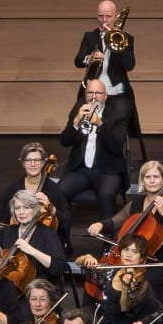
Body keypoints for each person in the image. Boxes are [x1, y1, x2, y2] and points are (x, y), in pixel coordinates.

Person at [73, 0, 140, 168]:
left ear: (116, 17)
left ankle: (115, 157)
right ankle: (83, 157)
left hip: (116, 93)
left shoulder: (126, 38)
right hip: (92, 93)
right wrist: (90, 58)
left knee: (118, 119)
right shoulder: (90, 36)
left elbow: (129, 65)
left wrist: (117, 47)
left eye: (108, 16)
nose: (104, 20)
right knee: (77, 115)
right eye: (100, 16)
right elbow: (78, 61)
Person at [53, 82, 127, 224]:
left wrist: (100, 125)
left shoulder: (117, 115)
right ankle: (63, 241)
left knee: (107, 194)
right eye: (90, 93)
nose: (94, 97)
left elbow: (116, 146)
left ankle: (107, 243)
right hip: (81, 170)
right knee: (59, 192)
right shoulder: (79, 110)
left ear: (105, 96)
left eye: (98, 93)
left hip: (107, 171)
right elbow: (64, 141)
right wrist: (75, 122)